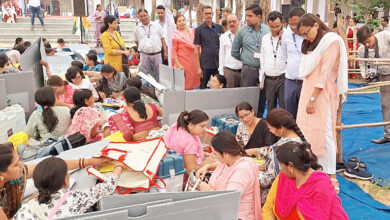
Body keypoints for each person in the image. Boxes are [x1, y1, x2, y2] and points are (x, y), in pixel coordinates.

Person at [296, 13, 348, 188]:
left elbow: (324, 75)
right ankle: (313, 168)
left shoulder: (331, 42)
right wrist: (308, 97)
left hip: (321, 94)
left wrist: (313, 98)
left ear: (316, 25)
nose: (305, 37)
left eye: (306, 33)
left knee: (325, 133)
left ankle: (331, 173)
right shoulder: (314, 44)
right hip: (308, 91)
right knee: (306, 130)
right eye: (302, 35)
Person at [2, 149, 117, 219]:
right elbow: (105, 188)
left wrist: (89, 161)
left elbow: (48, 169)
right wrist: (119, 169)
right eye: (17, 165)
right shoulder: (74, 199)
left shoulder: (25, 210)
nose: (23, 165)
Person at [262, 142, 349, 220]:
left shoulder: (321, 188)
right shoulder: (282, 179)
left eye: (281, 165)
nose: (281, 168)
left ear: (290, 166)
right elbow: (268, 208)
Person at [196, 131, 261, 220]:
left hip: (238, 216)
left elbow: (229, 199)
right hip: (221, 212)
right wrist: (208, 166)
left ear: (226, 154)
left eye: (215, 154)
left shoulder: (243, 169)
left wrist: (207, 189)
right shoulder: (229, 161)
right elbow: (220, 164)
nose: (214, 157)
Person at [246, 108, 306, 203]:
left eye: (270, 128)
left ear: (281, 128)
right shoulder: (301, 141)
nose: (270, 131)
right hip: (297, 190)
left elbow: (268, 179)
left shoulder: (280, 148)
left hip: (276, 194)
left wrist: (250, 180)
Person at [232, 4, 270, 117]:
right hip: (248, 70)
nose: (247, 18)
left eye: (250, 16)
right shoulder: (242, 32)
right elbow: (234, 51)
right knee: (247, 98)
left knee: (262, 98)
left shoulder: (268, 30)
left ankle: (259, 118)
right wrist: (246, 60)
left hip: (264, 71)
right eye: (246, 15)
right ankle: (247, 119)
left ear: (258, 17)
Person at [357, 26, 390, 144]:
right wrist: (365, 74)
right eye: (363, 43)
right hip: (383, 76)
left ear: (372, 35)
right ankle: (388, 134)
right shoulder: (361, 50)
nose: (367, 45)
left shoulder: (385, 36)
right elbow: (362, 64)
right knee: (386, 105)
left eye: (368, 41)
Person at [163, 110, 212, 174]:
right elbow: (190, 171)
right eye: (202, 126)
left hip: (170, 167)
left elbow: (182, 151)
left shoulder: (177, 126)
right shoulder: (190, 142)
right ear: (191, 125)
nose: (205, 129)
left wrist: (202, 153)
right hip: (182, 178)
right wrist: (208, 163)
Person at [281, 7, 305, 118]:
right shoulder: (286, 34)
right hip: (291, 81)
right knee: (290, 114)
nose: (293, 27)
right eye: (291, 24)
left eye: (295, 24)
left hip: (306, 81)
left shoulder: (311, 36)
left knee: (305, 114)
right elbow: (284, 56)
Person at [260, 11, 286, 112]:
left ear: (282, 24)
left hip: (283, 78)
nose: (275, 29)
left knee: (284, 107)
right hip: (269, 78)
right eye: (272, 27)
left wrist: (282, 39)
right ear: (268, 25)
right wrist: (261, 76)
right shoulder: (265, 38)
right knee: (270, 107)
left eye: (277, 26)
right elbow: (263, 57)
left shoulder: (286, 37)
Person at [194, 5, 224, 89]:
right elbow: (196, 50)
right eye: (206, 13)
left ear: (213, 14)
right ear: (202, 14)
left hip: (218, 64)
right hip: (205, 65)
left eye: (210, 13)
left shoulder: (219, 28)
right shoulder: (198, 30)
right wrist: (198, 68)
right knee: (203, 87)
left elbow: (224, 46)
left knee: (219, 87)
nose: (208, 15)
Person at [134, 9, 167, 82]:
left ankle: (160, 90)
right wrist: (144, 48)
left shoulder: (157, 26)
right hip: (144, 55)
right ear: (138, 17)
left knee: (159, 74)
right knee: (144, 75)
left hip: (157, 54)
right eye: (141, 16)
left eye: (145, 15)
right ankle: (146, 90)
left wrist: (165, 52)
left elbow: (163, 40)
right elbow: (136, 41)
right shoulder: (137, 29)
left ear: (148, 15)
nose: (143, 18)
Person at [172, 13, 200, 90]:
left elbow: (198, 45)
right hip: (182, 63)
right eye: (179, 21)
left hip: (194, 62)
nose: (182, 22)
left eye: (183, 20)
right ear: (176, 23)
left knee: (195, 82)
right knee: (185, 83)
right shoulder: (174, 35)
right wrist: (178, 64)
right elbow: (173, 52)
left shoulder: (192, 31)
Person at [218, 14, 243, 88]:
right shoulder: (223, 37)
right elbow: (221, 54)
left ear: (238, 22)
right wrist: (221, 72)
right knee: (230, 96)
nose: (232, 24)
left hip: (243, 71)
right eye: (229, 22)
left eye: (234, 21)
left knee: (244, 96)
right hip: (229, 72)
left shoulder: (244, 35)